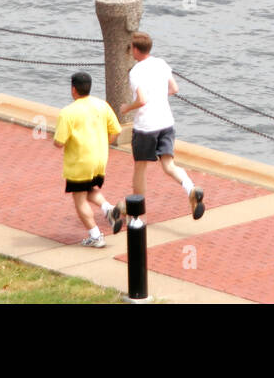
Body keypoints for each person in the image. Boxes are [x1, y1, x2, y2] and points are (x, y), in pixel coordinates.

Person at [115, 32, 205, 221]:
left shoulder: (136, 72)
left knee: (140, 168)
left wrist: (126, 108)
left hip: (146, 127)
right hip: (166, 122)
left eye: (131, 47)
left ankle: (136, 214)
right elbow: (174, 89)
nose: (130, 50)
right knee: (168, 164)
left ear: (136, 50)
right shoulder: (162, 64)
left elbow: (141, 100)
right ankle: (190, 187)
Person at [54, 71, 123, 248]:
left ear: (73, 89)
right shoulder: (102, 105)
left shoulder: (67, 112)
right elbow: (116, 130)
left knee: (79, 200)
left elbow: (59, 143)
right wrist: (104, 144)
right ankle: (108, 209)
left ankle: (96, 235)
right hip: (100, 160)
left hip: (80, 163)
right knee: (89, 189)